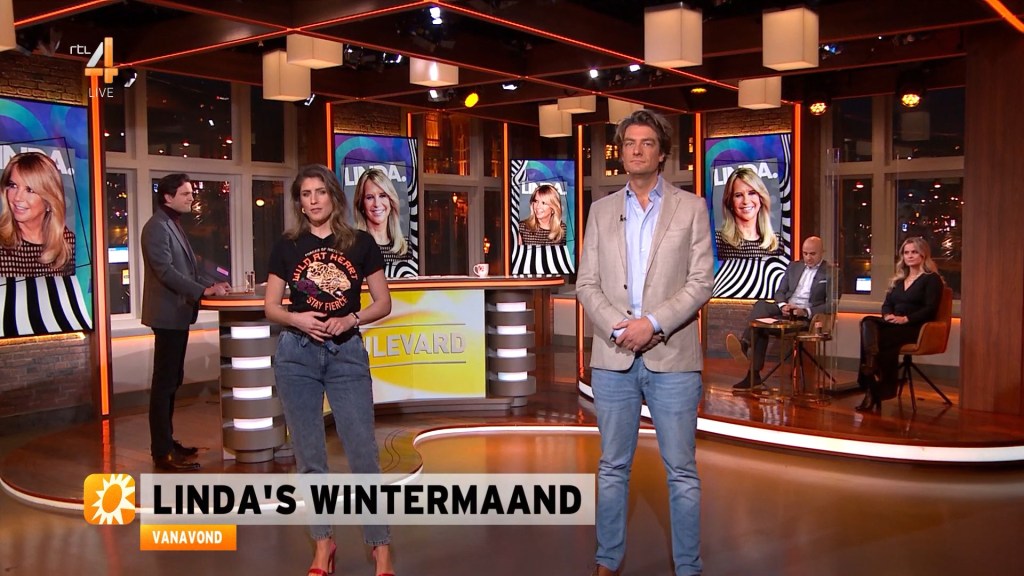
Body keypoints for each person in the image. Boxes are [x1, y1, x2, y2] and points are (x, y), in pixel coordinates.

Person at [576, 109, 713, 576]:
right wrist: (621, 326)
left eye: (647, 143)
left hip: (673, 359)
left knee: (682, 471)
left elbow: (701, 282)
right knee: (612, 467)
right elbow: (586, 283)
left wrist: (651, 324)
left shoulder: (691, 208)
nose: (636, 150)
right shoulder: (600, 211)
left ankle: (688, 567)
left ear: (662, 153)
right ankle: (607, 560)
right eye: (629, 143)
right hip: (613, 356)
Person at [265, 164, 395, 576]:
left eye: (320, 191)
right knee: (310, 456)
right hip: (296, 355)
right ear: (299, 202)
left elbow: (383, 302)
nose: (314, 200)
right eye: (306, 194)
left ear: (333, 196)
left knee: (363, 453)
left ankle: (380, 548)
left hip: (346, 354)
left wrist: (351, 318)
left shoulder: (359, 242)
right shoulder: (287, 246)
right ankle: (323, 544)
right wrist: (297, 318)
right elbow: (271, 307)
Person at [141, 173, 230, 472]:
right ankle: (162, 452)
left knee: (172, 381)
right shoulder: (156, 227)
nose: (192, 198)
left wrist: (211, 285)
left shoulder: (172, 224)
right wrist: (202, 292)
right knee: (164, 384)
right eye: (186, 194)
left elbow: (188, 271)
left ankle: (167, 443)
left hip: (177, 315)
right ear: (168, 197)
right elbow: (166, 272)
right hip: (166, 316)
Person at [725, 236, 835, 389]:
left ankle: (752, 372)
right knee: (761, 306)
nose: (808, 258)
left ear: (822, 252)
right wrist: (783, 305)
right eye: (805, 253)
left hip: (805, 317)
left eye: (812, 254)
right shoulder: (794, 267)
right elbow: (780, 292)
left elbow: (831, 305)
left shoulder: (831, 272)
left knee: (760, 327)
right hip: (786, 309)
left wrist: (805, 311)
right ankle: (745, 344)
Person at [855, 237, 944, 412]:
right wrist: (888, 315)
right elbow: (887, 304)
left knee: (881, 338)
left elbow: (930, 308)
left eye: (914, 252)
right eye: (906, 252)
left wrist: (906, 319)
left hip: (914, 326)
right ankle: (872, 369)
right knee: (868, 320)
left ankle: (872, 384)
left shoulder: (931, 279)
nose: (909, 256)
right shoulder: (899, 280)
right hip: (894, 323)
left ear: (923, 254)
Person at [0, 152, 75, 277]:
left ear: (49, 200)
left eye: (30, 190)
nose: (17, 197)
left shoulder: (69, 245)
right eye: (13, 186)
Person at [714, 166, 782, 260]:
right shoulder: (717, 241)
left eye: (752, 193)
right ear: (730, 202)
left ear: (761, 198)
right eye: (738, 195)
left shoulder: (777, 242)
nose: (746, 201)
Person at [352, 168, 408, 267]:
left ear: (391, 201)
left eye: (382, 196)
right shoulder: (352, 247)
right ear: (361, 205)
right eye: (369, 197)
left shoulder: (406, 247)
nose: (377, 204)